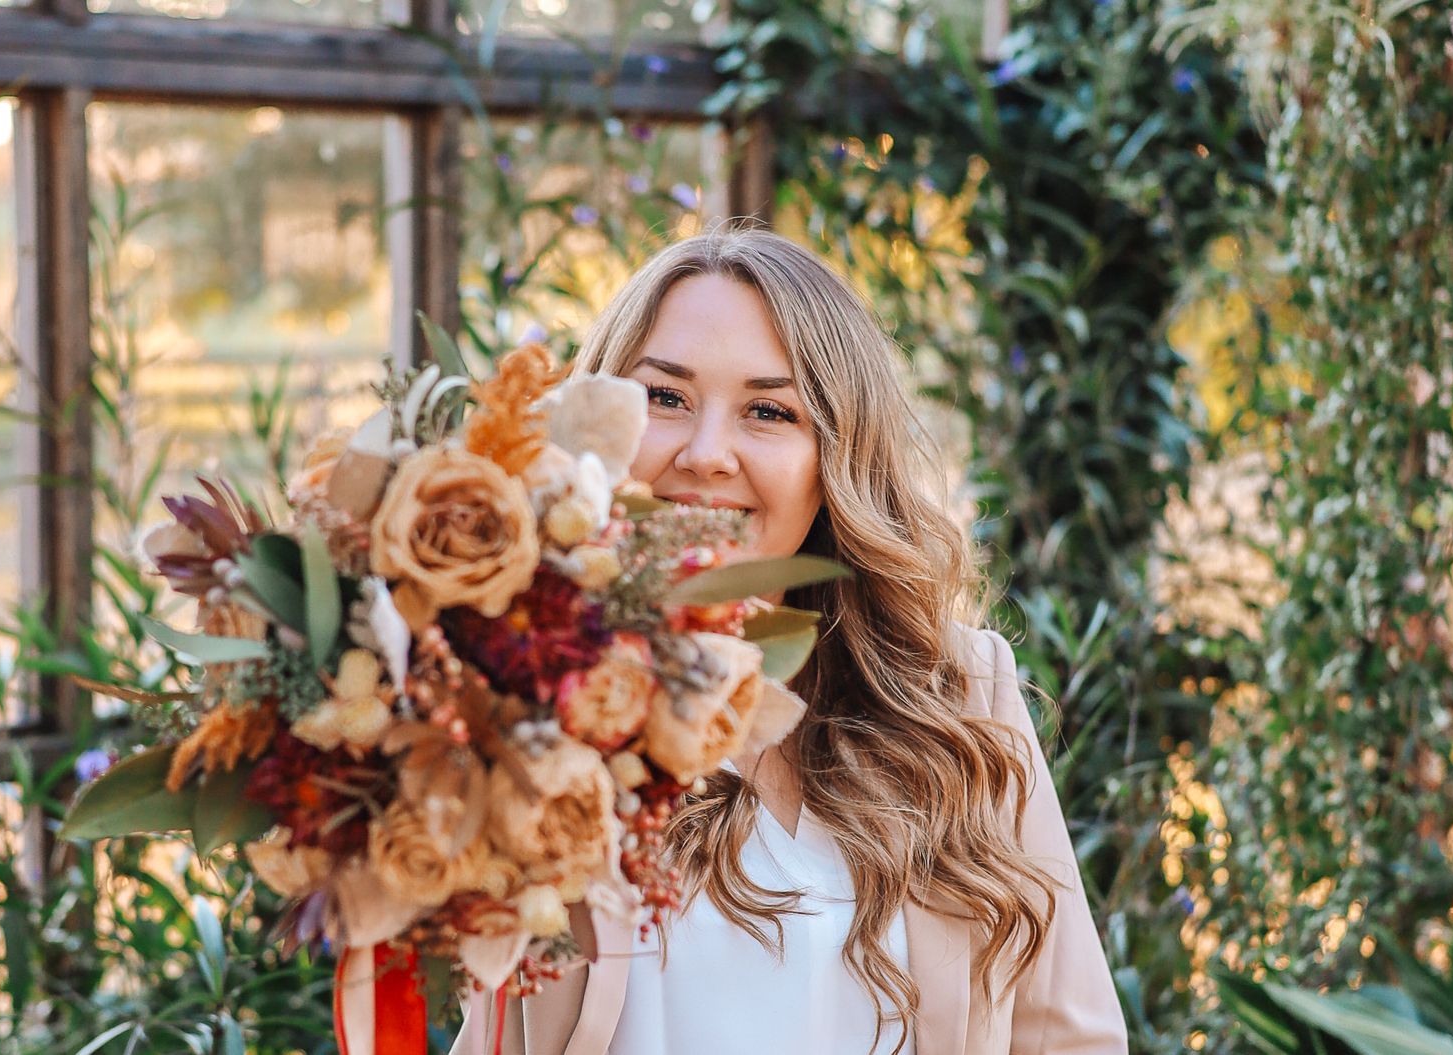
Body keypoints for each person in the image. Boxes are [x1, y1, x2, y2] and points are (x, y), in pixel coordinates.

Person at [450, 223, 1127, 1055]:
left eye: (767, 411)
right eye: (664, 397)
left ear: (834, 459)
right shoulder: (515, 690)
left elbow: (1071, 1040)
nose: (705, 454)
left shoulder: (957, 693)